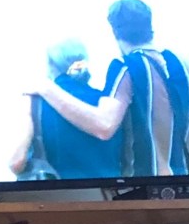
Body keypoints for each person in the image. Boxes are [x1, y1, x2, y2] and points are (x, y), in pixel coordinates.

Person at [29, 0, 189, 177]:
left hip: (149, 183)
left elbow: (104, 125)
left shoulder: (126, 67)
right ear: (149, 24)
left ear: (114, 31)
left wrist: (46, 89)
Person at [10, 38, 123, 180]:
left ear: (50, 65)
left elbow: (17, 162)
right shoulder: (107, 104)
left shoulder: (35, 104)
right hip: (108, 190)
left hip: (60, 191)